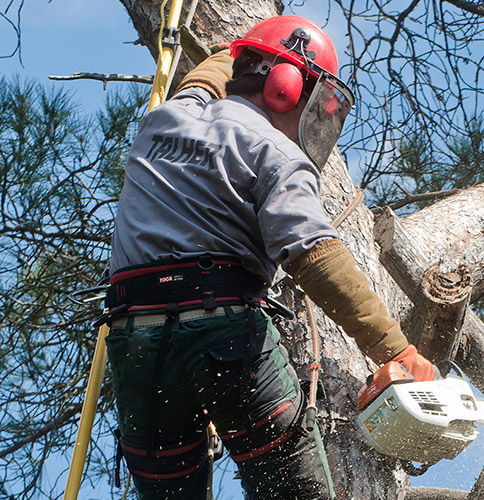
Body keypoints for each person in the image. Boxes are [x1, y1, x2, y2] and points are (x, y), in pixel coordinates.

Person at [103, 15, 435, 499]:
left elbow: (205, 78)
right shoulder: (276, 152)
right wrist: (395, 350)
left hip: (137, 347)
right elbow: (316, 256)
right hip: (222, 338)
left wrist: (232, 51)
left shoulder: (163, 120)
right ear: (285, 88)